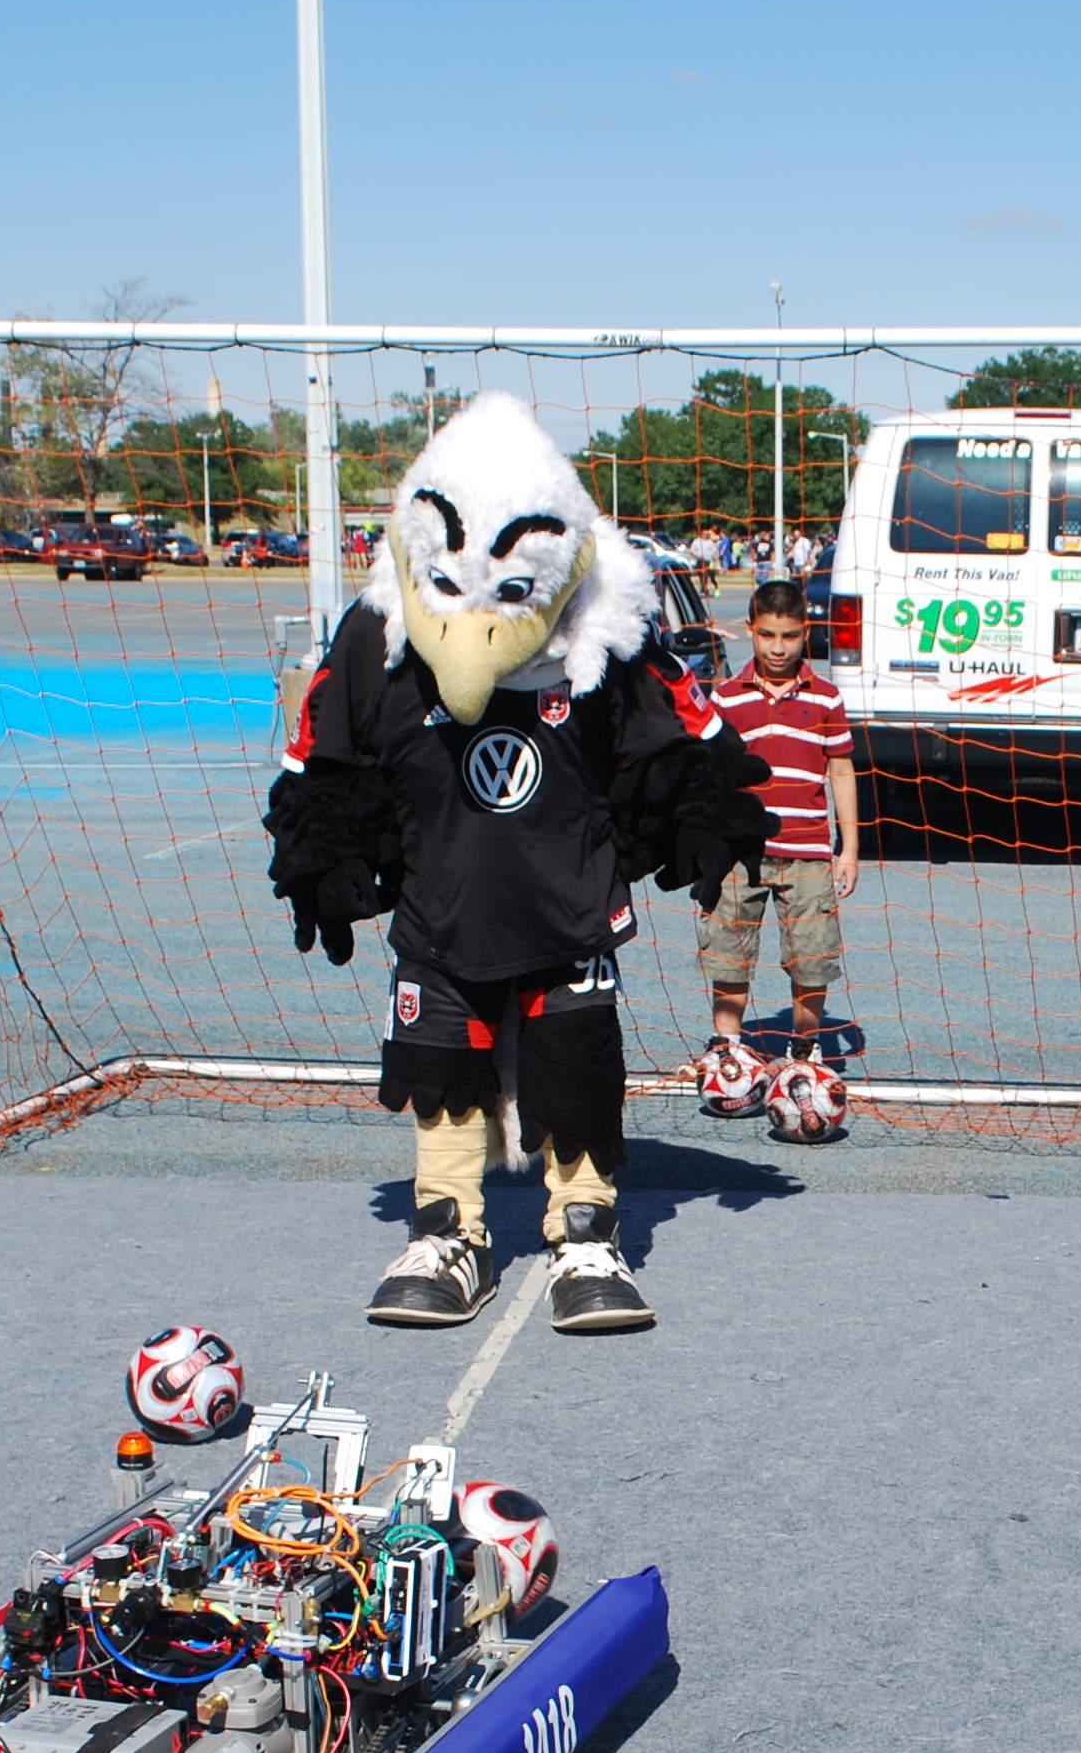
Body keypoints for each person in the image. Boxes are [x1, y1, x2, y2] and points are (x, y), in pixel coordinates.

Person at [264, 393, 768, 1338]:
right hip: (440, 905)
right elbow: (322, 757)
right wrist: (322, 848)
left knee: (578, 1066)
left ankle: (585, 1227)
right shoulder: (378, 640)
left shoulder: (602, 639)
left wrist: (704, 813)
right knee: (438, 1067)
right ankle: (448, 1230)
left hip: (567, 903)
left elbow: (690, 737)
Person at [695, 580, 858, 1062]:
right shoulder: (725, 698)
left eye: (789, 636)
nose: (779, 648)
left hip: (807, 853)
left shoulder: (827, 698)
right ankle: (728, 1047)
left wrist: (848, 849)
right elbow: (709, 776)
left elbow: (842, 771)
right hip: (739, 853)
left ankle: (803, 1049)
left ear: (805, 632)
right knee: (729, 952)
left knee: (812, 958)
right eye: (767, 636)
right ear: (751, 630)